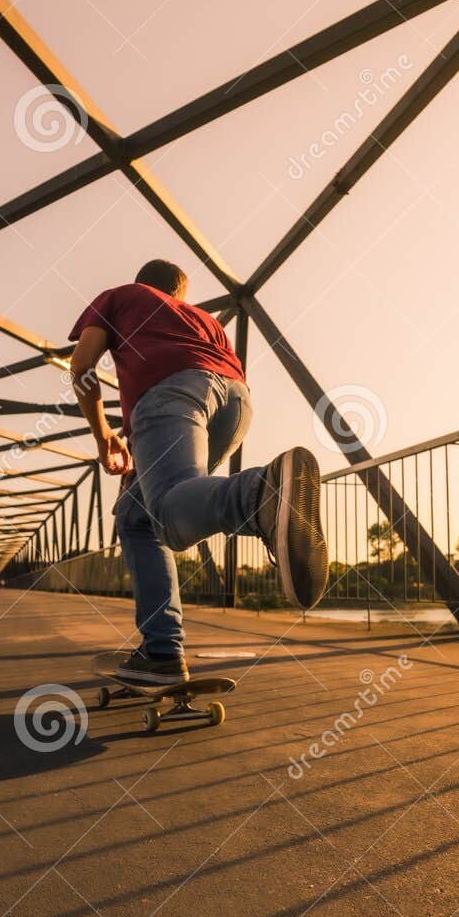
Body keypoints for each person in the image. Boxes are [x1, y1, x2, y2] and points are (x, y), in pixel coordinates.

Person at [69, 259, 328, 685]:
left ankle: (260, 492)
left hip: (173, 396)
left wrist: (103, 439)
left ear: (142, 284)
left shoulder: (120, 296)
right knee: (138, 519)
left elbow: (81, 368)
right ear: (180, 296)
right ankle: (160, 651)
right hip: (235, 403)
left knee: (170, 513)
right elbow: (203, 373)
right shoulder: (202, 319)